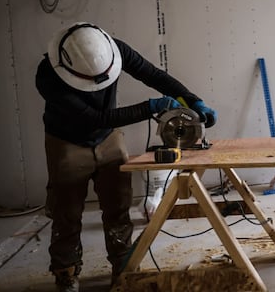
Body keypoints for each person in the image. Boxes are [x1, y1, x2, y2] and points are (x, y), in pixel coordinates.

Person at [35, 22, 217, 292]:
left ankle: (123, 268)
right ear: (67, 68)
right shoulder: (48, 76)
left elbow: (155, 76)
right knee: (66, 212)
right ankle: (66, 273)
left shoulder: (111, 49)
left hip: (108, 137)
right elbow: (94, 118)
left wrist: (192, 100)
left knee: (118, 204)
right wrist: (151, 107)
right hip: (67, 142)